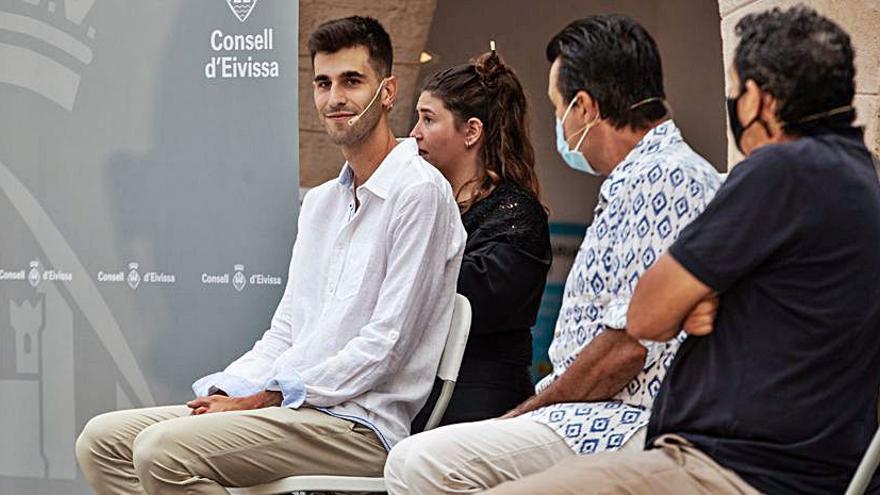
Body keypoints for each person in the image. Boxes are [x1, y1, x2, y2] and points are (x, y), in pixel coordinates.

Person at [482, 6, 880, 495]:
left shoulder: (779, 170)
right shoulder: (862, 182)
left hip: (733, 467)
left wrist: (698, 298)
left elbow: (647, 316)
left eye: (734, 90)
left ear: (757, 97)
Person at [75, 16, 466, 495]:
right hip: (290, 412)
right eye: (323, 83)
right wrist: (230, 390)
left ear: (387, 92)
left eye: (352, 81)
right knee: (101, 442)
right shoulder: (322, 203)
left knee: (162, 451)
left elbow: (387, 346)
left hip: (360, 426)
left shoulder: (420, 193)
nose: (335, 98)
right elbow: (286, 330)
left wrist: (263, 398)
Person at [383, 14, 721, 495]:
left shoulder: (665, 180)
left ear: (584, 107)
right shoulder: (638, 180)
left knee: (416, 464)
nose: (559, 123)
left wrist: (529, 410)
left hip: (617, 420)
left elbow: (627, 348)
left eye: (558, 107)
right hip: (580, 411)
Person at [408, 48, 551, 430]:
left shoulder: (517, 213)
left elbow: (466, 299)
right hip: (416, 399)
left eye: (428, 119)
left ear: (471, 131)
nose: (414, 133)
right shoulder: (426, 204)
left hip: (478, 407)